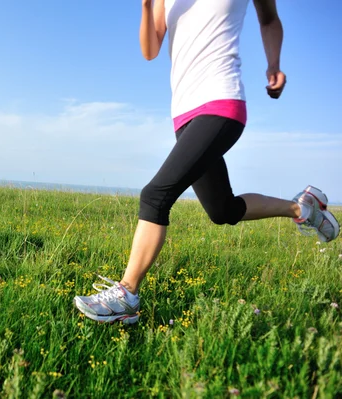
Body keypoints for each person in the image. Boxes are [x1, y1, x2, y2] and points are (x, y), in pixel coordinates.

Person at [73, 0, 340, 324]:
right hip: (184, 115)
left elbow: (269, 19)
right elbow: (150, 48)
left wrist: (274, 64)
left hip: (222, 102)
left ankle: (126, 295)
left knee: (155, 195)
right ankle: (302, 208)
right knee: (222, 210)